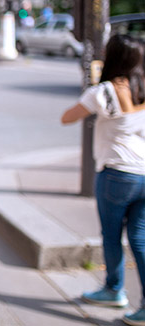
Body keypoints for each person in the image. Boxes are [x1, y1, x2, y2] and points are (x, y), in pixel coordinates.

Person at [62, 34, 145, 325]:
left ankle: (114, 289)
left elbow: (67, 118)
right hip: (144, 174)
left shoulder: (105, 92)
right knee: (139, 238)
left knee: (112, 236)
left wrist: (92, 88)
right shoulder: (143, 90)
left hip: (116, 175)